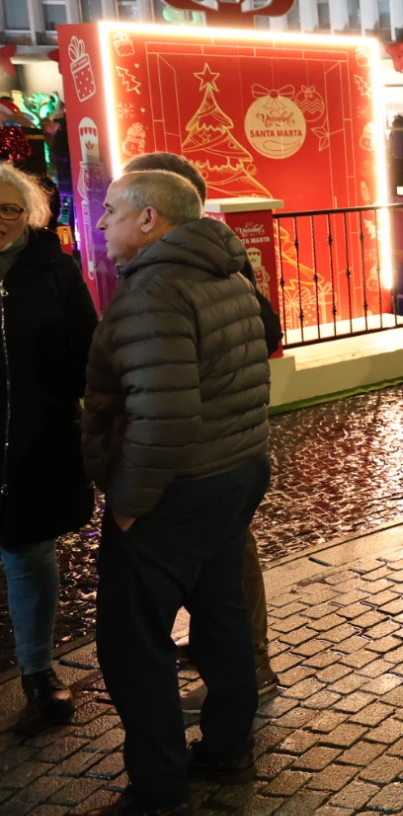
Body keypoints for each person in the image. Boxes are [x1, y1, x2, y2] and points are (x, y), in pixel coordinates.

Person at [82, 170, 272, 814]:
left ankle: (160, 789)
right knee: (220, 617)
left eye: (112, 210)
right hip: (233, 473)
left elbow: (162, 415)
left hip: (177, 490)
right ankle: (228, 747)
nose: (100, 222)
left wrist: (129, 504)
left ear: (149, 219)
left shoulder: (154, 291)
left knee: (134, 645)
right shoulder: (225, 271)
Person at [122, 152, 283, 723]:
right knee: (221, 572)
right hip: (226, 449)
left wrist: (129, 500)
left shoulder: (201, 265)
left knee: (230, 564)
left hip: (213, 456)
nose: (106, 221)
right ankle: (233, 664)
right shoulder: (191, 262)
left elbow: (264, 330)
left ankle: (250, 667)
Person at [0, 161, 96, 726]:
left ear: (29, 214)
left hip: (35, 442)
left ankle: (37, 670)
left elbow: (87, 350)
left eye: (9, 208)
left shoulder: (55, 269)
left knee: (28, 554)